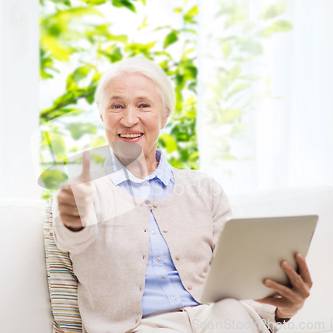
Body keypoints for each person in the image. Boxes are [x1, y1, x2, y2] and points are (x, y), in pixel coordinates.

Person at [52, 57, 312, 333]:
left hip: (215, 322)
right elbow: (70, 236)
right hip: (139, 329)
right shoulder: (84, 189)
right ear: (102, 115)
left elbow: (233, 278)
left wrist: (281, 309)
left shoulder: (204, 189)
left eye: (143, 105)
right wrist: (73, 218)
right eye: (117, 106)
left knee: (231, 310)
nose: (129, 119)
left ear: (165, 116)